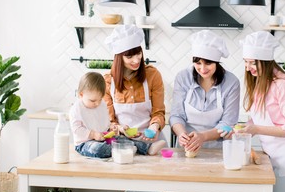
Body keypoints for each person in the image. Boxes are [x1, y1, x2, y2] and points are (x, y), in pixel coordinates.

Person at [236, 31, 285, 192]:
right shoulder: (260, 82)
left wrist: (256, 130)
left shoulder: (282, 85)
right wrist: (244, 128)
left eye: (252, 62)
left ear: (266, 61)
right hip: (273, 158)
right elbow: (259, 119)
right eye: (245, 62)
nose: (247, 67)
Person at [169, 30, 240, 151]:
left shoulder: (231, 82)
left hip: (217, 150)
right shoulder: (183, 77)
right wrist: (181, 134)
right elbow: (176, 115)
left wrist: (203, 136)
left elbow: (227, 123)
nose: (202, 69)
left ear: (216, 62)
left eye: (208, 63)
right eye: (198, 63)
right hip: (186, 147)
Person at [103, 24, 166, 155]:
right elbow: (109, 121)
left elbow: (158, 112)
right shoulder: (108, 81)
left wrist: (155, 127)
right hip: (123, 144)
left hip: (152, 141)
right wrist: (119, 128)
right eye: (129, 57)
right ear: (119, 58)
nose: (137, 59)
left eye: (138, 53)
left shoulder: (152, 75)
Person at [69, 72, 112, 158]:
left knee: (124, 139)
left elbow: (104, 121)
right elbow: (77, 130)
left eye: (100, 99)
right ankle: (118, 149)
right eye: (93, 101)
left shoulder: (101, 104)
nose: (97, 103)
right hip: (84, 143)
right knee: (98, 149)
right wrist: (93, 135)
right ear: (81, 94)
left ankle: (143, 147)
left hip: (102, 139)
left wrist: (110, 129)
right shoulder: (76, 109)